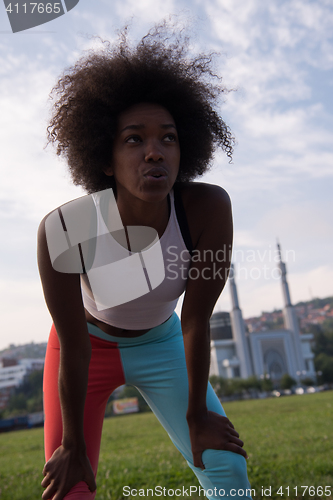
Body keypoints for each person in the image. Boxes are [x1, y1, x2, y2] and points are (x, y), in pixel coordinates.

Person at [37, 23, 252, 500]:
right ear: (106, 158)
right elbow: (73, 343)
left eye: (169, 139)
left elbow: (196, 318)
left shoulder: (208, 209)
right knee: (69, 489)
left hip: (165, 343)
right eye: (134, 139)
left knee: (227, 471)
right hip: (84, 350)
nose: (154, 151)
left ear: (185, 150)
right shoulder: (66, 229)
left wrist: (198, 416)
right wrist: (72, 445)